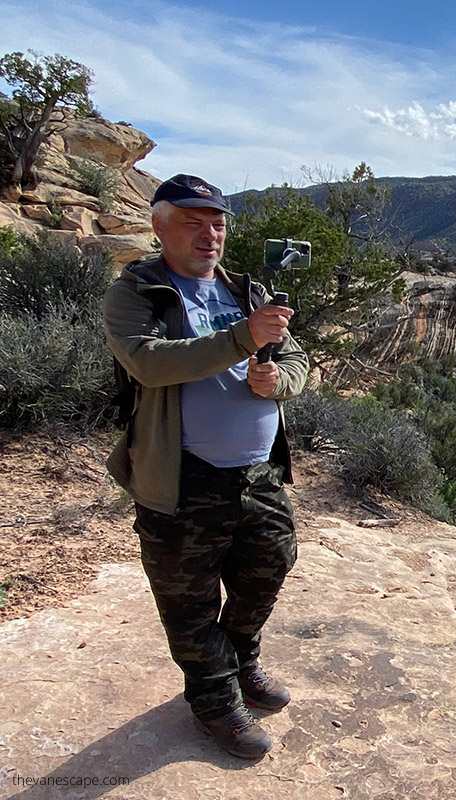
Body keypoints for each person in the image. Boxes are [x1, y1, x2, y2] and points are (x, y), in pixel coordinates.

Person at [103, 174, 309, 759]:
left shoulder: (248, 288)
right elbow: (148, 363)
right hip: (182, 476)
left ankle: (240, 657)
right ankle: (214, 700)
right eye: (192, 221)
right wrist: (243, 339)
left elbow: (296, 359)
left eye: (216, 221)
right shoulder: (138, 294)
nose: (209, 233)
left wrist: (278, 380)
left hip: (256, 472)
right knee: (188, 598)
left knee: (269, 565)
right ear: (158, 225)